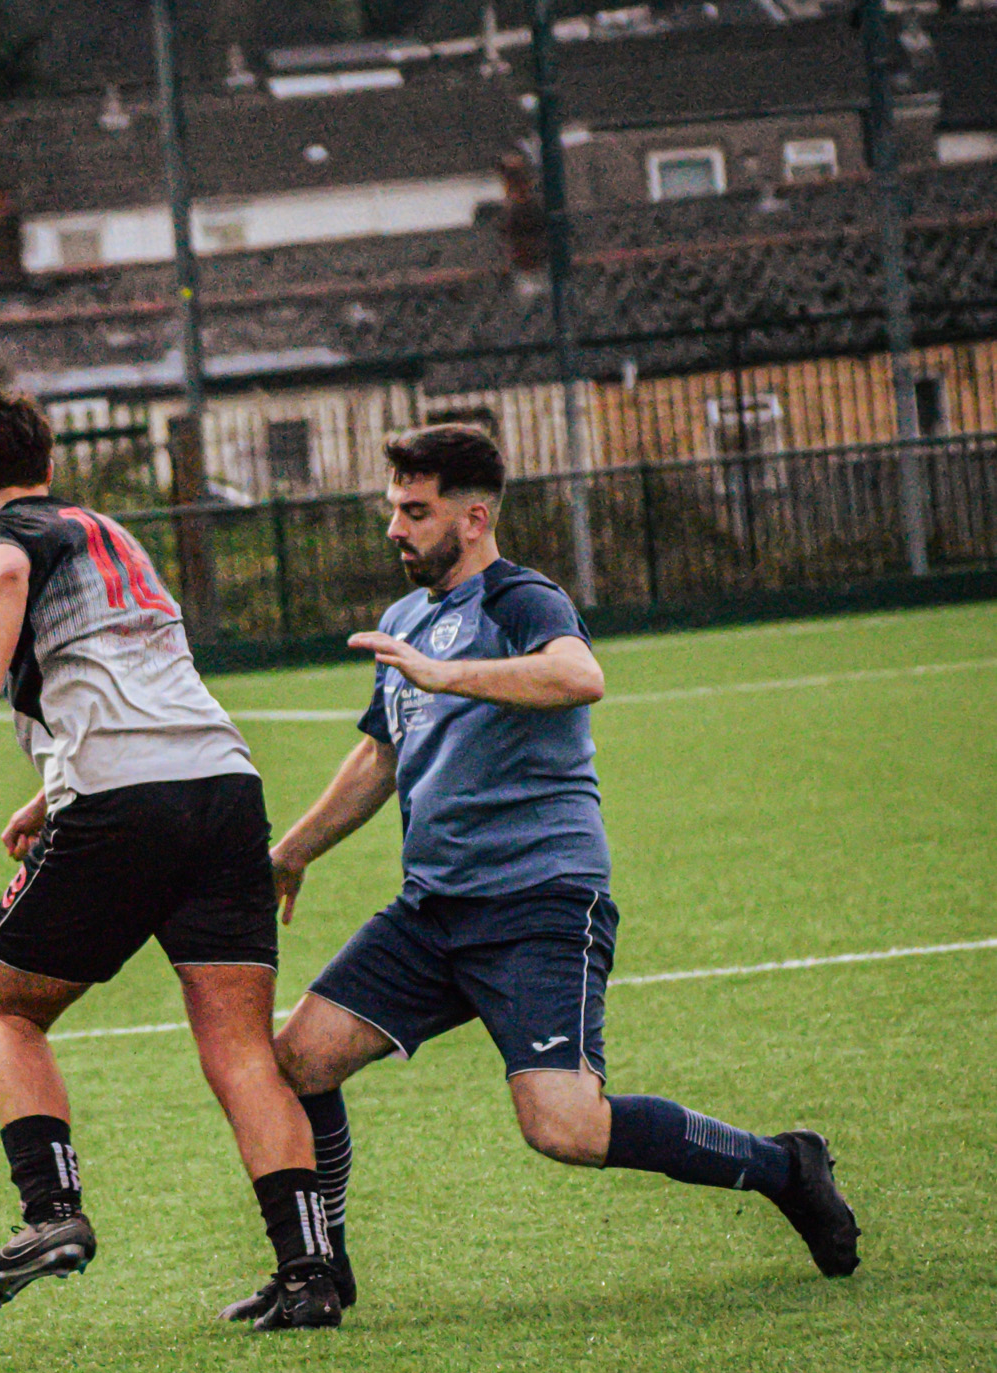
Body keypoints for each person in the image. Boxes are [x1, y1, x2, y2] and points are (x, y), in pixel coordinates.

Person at [224, 421, 859, 1321]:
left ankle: (786, 1165)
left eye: (416, 510)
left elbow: (578, 676)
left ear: (474, 517)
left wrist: (452, 675)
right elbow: (379, 759)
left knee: (564, 1127)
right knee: (300, 1060)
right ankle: (320, 1270)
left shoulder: (523, 600)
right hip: (433, 909)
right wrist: (292, 851)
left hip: (540, 903)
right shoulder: (408, 622)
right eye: (392, 509)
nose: (395, 530)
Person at [0, 388, 339, 1329]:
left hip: (123, 800)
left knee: (2, 1008)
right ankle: (310, 1269)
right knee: (240, 1046)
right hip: (224, 784)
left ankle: (52, 1213)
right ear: (48, 456)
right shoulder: (111, 531)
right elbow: (134, 669)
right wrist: (49, 790)